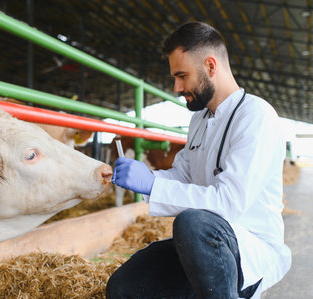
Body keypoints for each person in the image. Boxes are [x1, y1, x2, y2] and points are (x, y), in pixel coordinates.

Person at [107, 21, 291, 299]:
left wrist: (154, 188)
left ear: (210, 66)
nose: (177, 87)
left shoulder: (256, 116)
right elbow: (182, 174)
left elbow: (229, 203)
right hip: (203, 245)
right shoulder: (199, 120)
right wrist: (147, 178)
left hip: (249, 248)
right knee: (124, 287)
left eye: (182, 76)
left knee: (192, 223)